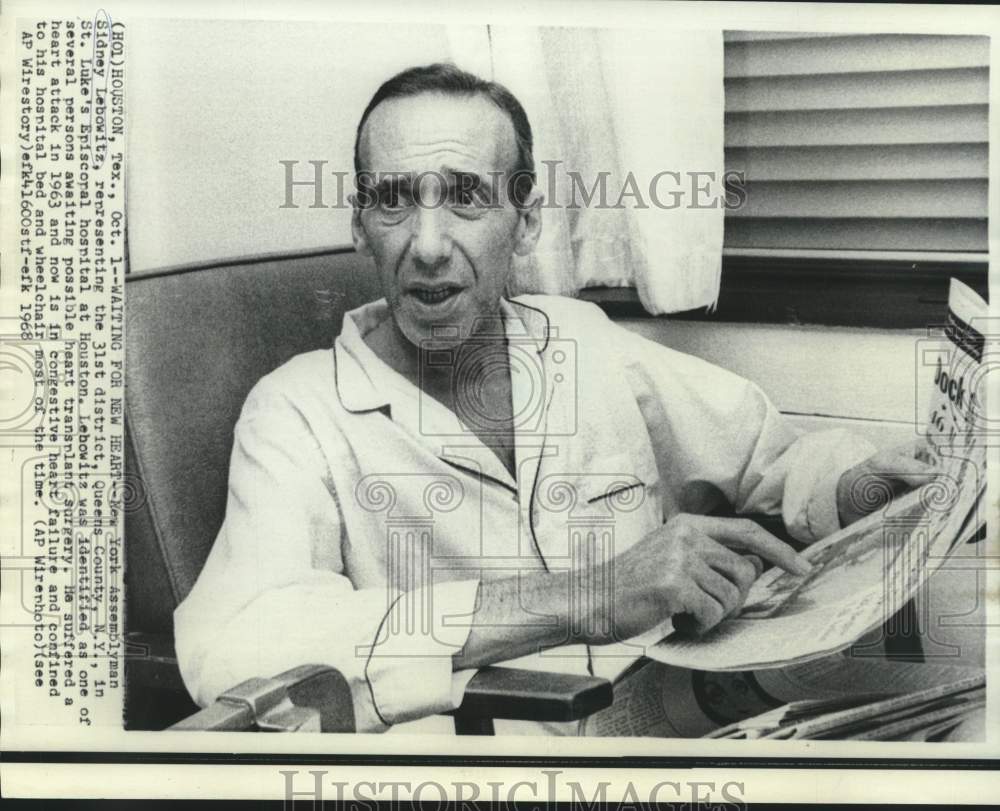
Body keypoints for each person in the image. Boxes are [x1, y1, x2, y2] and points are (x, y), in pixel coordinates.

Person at [174, 63, 933, 735]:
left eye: (467, 198)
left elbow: (770, 457)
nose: (429, 243)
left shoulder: (582, 339)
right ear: (359, 224)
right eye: (396, 201)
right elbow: (240, 644)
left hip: (681, 723)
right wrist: (586, 595)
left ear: (528, 219)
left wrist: (856, 486)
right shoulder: (296, 409)